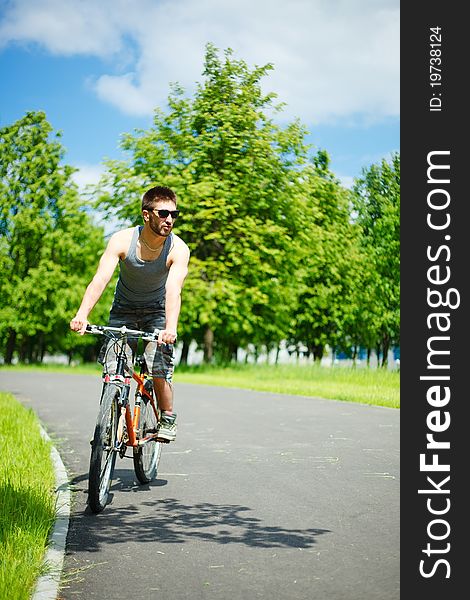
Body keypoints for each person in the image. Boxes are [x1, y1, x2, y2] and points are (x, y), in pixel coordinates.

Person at [70, 185, 190, 442]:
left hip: (157, 313)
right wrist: (82, 314)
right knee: (114, 369)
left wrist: (170, 328)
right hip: (123, 310)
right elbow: (101, 279)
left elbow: (173, 290)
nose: (169, 220)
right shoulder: (122, 240)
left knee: (158, 366)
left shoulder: (178, 249)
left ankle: (167, 415)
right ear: (146, 214)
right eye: (163, 213)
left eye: (174, 214)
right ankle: (108, 425)